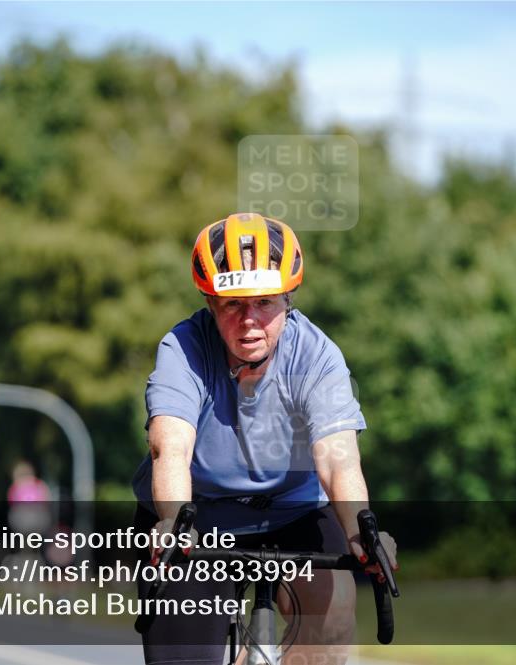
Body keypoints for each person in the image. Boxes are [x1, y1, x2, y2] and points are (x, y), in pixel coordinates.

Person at [131, 213, 398, 665]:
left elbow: (337, 458)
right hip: (197, 519)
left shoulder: (316, 355)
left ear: (287, 299)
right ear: (211, 302)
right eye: (233, 304)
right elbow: (170, 446)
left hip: (294, 513)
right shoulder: (184, 349)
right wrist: (174, 520)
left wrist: (359, 531)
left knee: (332, 615)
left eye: (265, 303)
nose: (250, 320)